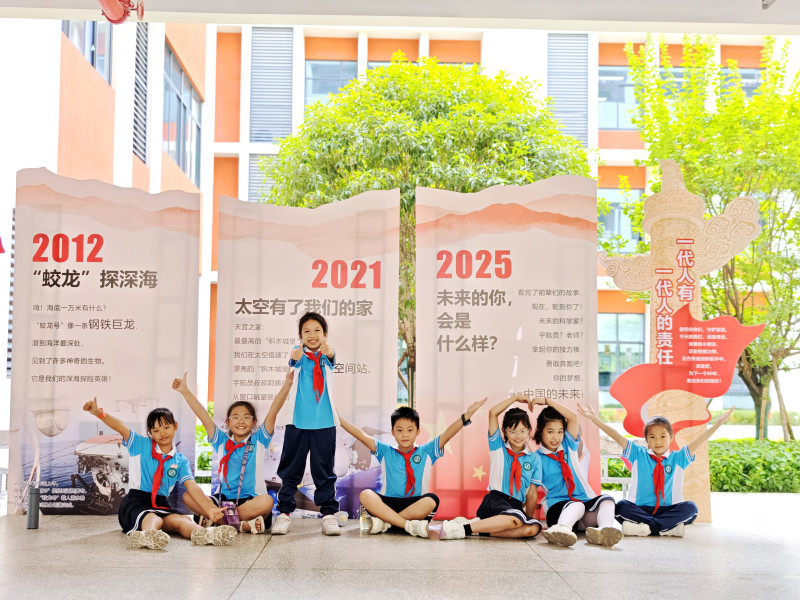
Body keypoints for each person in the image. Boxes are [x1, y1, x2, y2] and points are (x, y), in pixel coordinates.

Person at [82, 398, 236, 549]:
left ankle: (205, 534)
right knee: (153, 518)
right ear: (150, 433)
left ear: (175, 426)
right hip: (136, 502)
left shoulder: (180, 460)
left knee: (182, 520)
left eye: (166, 427)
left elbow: (192, 486)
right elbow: (120, 427)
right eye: (156, 430)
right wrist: (98, 413)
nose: (162, 433)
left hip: (161, 503)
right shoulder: (140, 445)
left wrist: (209, 509)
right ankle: (148, 535)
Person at [577, 403, 734, 537]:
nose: (658, 441)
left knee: (691, 509)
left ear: (671, 437)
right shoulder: (638, 454)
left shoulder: (679, 458)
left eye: (663, 436)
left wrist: (718, 424)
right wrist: (594, 419)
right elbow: (616, 436)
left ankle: (647, 528)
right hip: (640, 509)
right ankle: (666, 528)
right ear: (646, 439)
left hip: (668, 509)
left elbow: (698, 441)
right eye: (652, 437)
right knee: (621, 507)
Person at [338, 399, 487, 538]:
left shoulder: (427, 451)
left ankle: (387, 523)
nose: (405, 435)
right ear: (392, 432)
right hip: (388, 504)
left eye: (410, 430)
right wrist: (338, 418)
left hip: (415, 505)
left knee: (432, 500)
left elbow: (447, 435)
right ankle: (406, 525)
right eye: (399, 430)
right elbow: (361, 435)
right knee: (365, 495)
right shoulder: (385, 451)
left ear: (418, 431)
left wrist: (466, 416)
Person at [172, 368, 294, 534]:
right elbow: (204, 417)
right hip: (222, 501)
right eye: (235, 417)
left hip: (250, 502)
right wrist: (184, 391)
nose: (241, 421)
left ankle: (218, 521)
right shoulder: (221, 441)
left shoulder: (259, 440)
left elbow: (274, 410)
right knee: (188, 496)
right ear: (228, 423)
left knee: (267, 501)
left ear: (254, 422)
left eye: (246, 417)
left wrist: (288, 383)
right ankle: (240, 525)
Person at [273, 312, 342, 536]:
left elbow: (331, 357)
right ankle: (284, 514)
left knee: (324, 471)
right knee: (291, 470)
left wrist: (328, 352)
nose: (312, 335)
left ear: (325, 334)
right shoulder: (299, 353)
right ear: (300, 336)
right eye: (307, 331)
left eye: (317, 330)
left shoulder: (326, 354)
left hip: (324, 422)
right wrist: (294, 357)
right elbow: (293, 363)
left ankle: (329, 515)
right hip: (297, 422)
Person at [440, 395, 543, 540]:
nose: (518, 436)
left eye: (523, 431)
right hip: (495, 501)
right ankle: (462, 529)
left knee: (533, 528)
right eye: (512, 431)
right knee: (515, 520)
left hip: (516, 506)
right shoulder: (498, 448)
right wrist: (515, 398)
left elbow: (531, 494)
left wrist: (529, 518)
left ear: (529, 431)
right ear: (504, 431)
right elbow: (493, 413)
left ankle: (479, 529)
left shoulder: (534, 459)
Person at [534, 398, 622, 547]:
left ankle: (604, 531)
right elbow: (531, 491)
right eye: (550, 432)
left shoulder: (568, 446)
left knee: (607, 500)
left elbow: (572, 417)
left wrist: (546, 401)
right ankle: (561, 529)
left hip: (582, 507)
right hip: (557, 510)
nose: (556, 437)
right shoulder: (536, 458)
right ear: (540, 431)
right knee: (577, 506)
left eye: (560, 431)